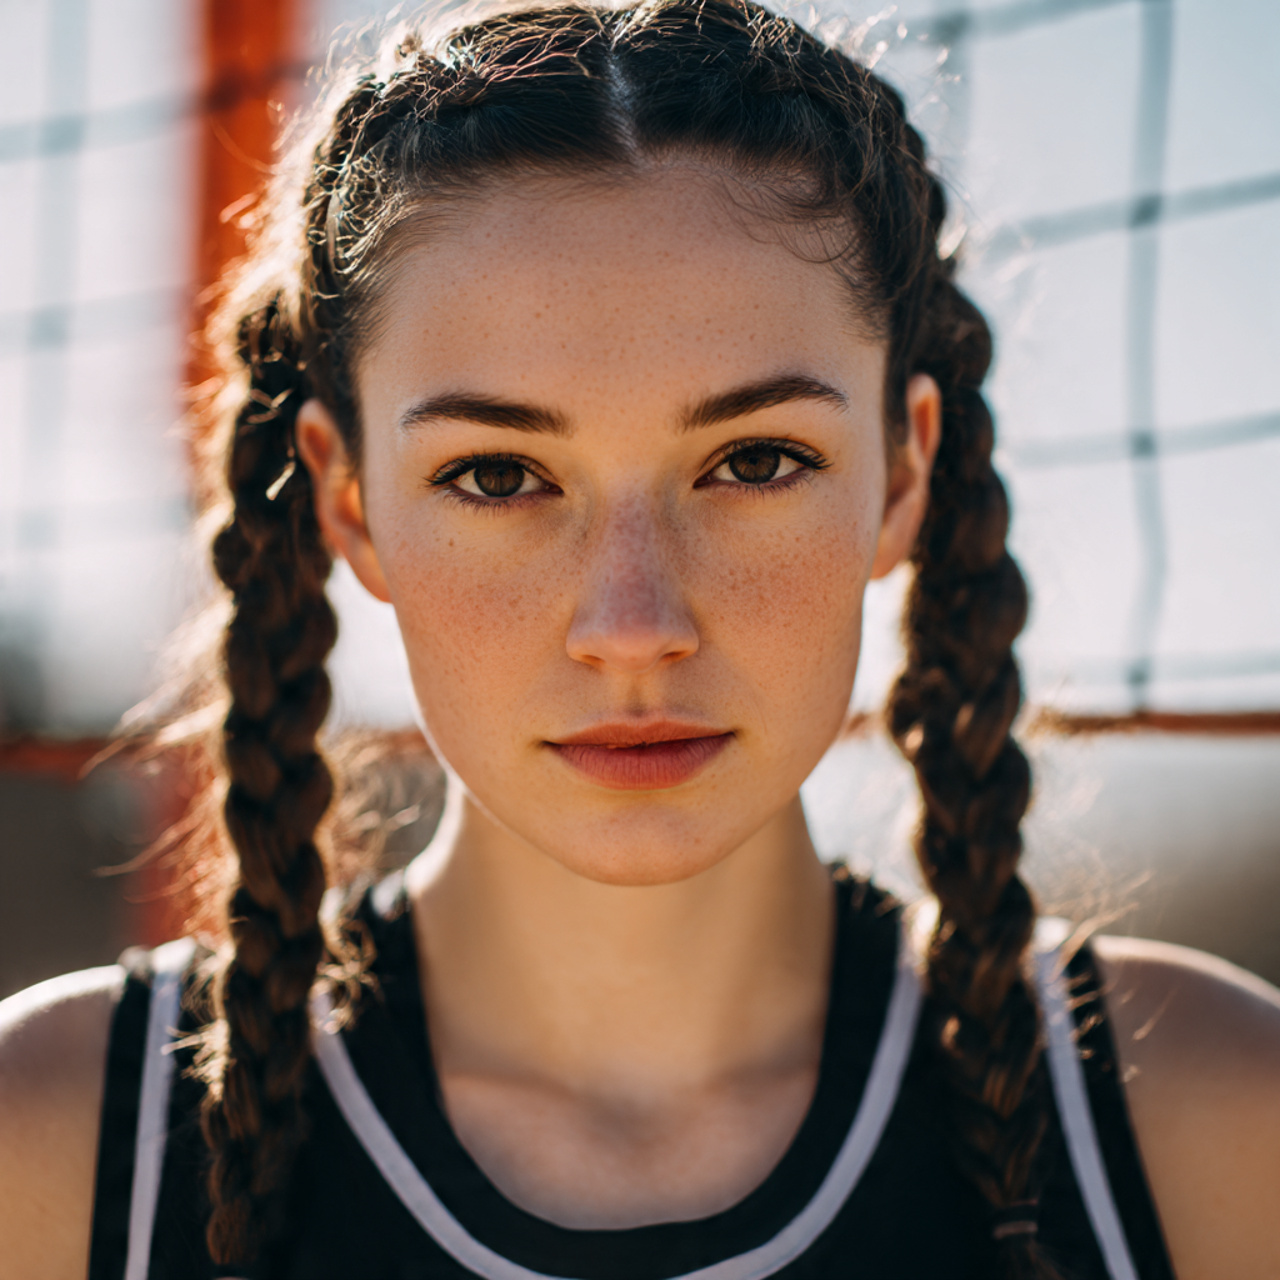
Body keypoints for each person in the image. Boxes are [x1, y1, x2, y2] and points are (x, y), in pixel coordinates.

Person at [2, 1, 1278, 1277]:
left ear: (900, 475)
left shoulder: (1203, 1122)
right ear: (349, 501)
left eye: (755, 459)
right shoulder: (52, 1148)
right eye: (498, 476)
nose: (632, 627)